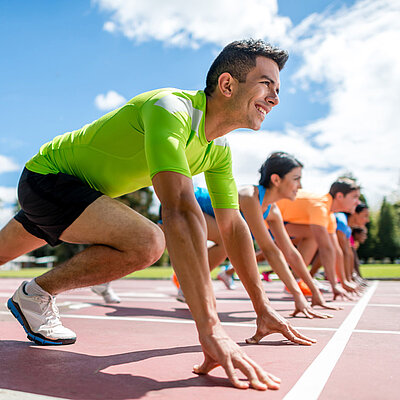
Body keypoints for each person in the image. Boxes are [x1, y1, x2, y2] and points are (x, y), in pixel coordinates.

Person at [0, 39, 315, 391]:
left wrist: (262, 307)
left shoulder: (218, 149)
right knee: (149, 242)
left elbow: (232, 225)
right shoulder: (171, 109)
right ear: (227, 85)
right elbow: (179, 209)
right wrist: (211, 330)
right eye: (266, 84)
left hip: (82, 197)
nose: (275, 98)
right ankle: (36, 294)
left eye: (278, 89)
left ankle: (34, 294)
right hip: (50, 179)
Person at [171, 152, 339, 318]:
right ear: (276, 180)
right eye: (296, 179)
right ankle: (189, 283)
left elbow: (289, 252)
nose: (300, 186)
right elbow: (269, 249)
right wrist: (297, 296)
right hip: (183, 204)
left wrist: (314, 293)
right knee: (230, 240)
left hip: (200, 217)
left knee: (230, 240)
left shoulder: (272, 210)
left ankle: (187, 283)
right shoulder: (249, 196)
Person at [276, 179, 361, 300]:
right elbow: (325, 247)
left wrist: (343, 283)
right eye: (354, 197)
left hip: (281, 219)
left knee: (312, 235)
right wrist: (334, 285)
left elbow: (335, 251)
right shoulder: (320, 206)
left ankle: (295, 281)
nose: (357, 202)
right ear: (340, 196)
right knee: (314, 236)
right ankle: (295, 281)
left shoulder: (329, 215)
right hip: (262, 213)